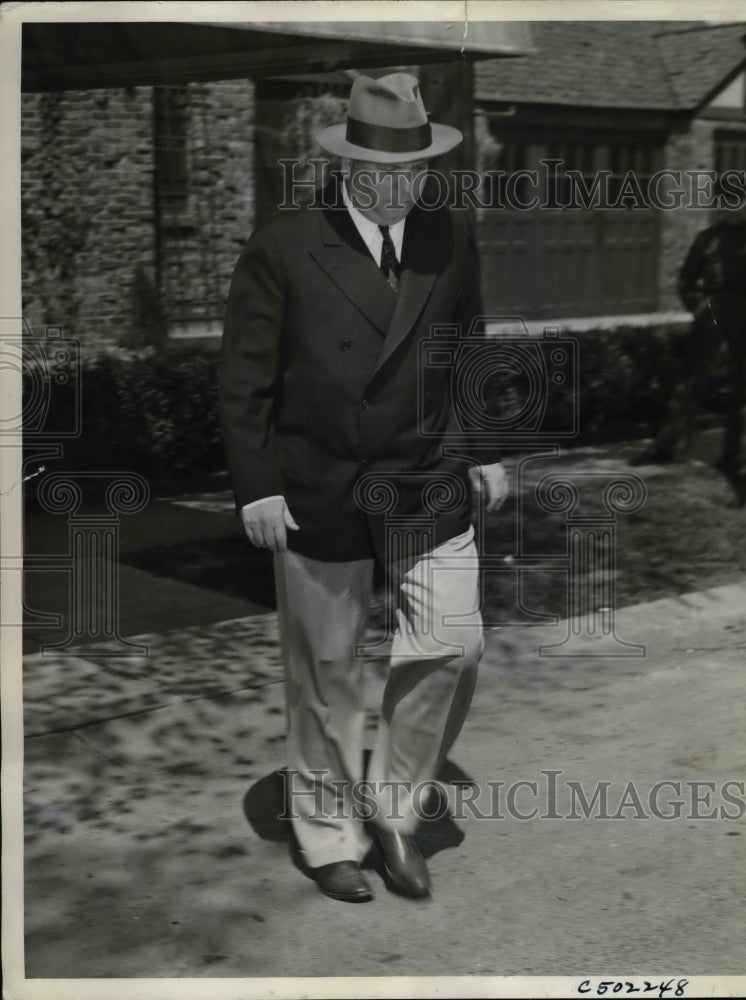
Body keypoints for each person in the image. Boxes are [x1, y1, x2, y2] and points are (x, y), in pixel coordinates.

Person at [219, 73, 508, 904]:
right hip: (320, 483)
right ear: (347, 167)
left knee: (455, 641)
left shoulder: (446, 233)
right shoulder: (283, 242)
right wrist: (257, 486)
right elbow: (243, 379)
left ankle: (392, 808)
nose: (402, 188)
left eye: (416, 171)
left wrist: (483, 448)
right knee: (327, 670)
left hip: (425, 477)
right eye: (386, 173)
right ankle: (326, 836)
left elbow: (469, 346)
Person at [630, 180, 746, 505]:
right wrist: (698, 309)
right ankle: (667, 446)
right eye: (728, 200)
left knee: (744, 389)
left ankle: (735, 457)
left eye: (741, 200)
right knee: (690, 382)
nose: (735, 206)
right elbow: (685, 280)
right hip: (712, 312)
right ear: (721, 204)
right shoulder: (706, 240)